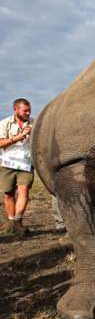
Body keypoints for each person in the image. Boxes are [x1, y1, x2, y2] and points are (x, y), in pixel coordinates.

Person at [0, 98, 34, 236]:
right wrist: (17, 137)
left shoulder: (34, 123)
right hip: (7, 163)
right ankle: (11, 221)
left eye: (29, 110)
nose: (28, 113)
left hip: (26, 163)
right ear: (16, 110)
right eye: (25, 110)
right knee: (8, 194)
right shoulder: (4, 123)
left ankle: (17, 221)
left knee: (24, 190)